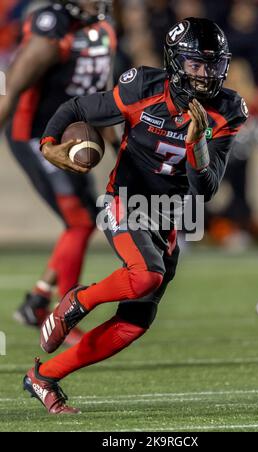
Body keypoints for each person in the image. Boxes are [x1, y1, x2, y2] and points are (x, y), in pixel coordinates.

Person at [23, 17, 248, 414]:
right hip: (126, 200)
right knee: (146, 274)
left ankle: (43, 377)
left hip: (172, 217)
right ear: (176, 63)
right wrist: (48, 145)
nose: (204, 75)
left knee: (134, 323)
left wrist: (197, 149)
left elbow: (207, 190)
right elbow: (77, 106)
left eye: (213, 66)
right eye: (196, 64)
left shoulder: (227, 110)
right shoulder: (142, 87)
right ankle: (78, 301)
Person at [0, 0, 117, 343]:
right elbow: (12, 89)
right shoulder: (52, 26)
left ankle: (39, 299)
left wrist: (122, 147)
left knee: (85, 217)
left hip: (74, 135)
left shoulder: (103, 24)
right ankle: (61, 317)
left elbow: (101, 92)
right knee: (80, 221)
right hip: (38, 136)